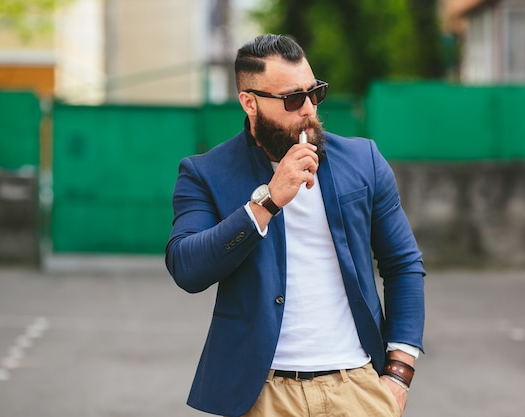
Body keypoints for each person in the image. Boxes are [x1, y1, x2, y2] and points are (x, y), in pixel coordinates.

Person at [165, 34, 425, 417]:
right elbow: (187, 267)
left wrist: (398, 376)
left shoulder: (362, 160)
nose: (308, 109)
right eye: (291, 99)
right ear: (250, 103)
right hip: (262, 394)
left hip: (356, 386)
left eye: (314, 93)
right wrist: (267, 201)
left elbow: (403, 265)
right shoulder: (205, 173)